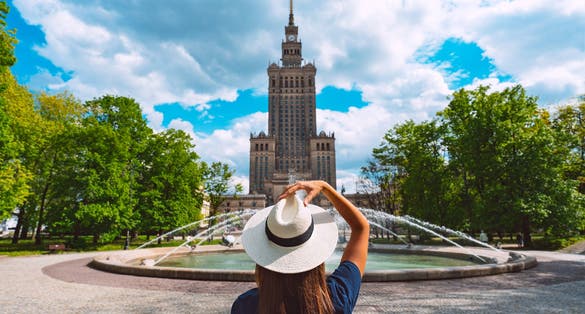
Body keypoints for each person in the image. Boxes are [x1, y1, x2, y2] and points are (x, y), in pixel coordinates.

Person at [231, 180, 370, 314]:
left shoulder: (245, 305)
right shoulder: (337, 297)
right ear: (315, 253)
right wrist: (325, 187)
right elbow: (361, 228)